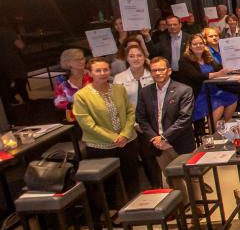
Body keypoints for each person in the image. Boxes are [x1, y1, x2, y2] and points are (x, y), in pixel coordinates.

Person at [72, 57, 140, 199]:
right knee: (108, 184)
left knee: (131, 177)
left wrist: (125, 134)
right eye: (98, 70)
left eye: (105, 69)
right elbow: (88, 124)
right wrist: (114, 138)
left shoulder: (119, 89)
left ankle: (137, 208)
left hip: (127, 141)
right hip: (100, 146)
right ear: (90, 73)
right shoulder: (81, 96)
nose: (103, 73)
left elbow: (130, 111)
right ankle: (112, 213)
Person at [136, 57, 195, 188]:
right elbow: (141, 118)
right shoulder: (145, 92)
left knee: (190, 178)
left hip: (179, 142)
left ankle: (197, 207)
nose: (157, 73)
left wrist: (165, 138)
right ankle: (181, 205)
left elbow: (185, 118)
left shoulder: (184, 90)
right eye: (154, 70)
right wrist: (155, 139)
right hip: (157, 145)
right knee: (171, 178)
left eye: (161, 69)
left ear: (169, 71)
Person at [178, 34, 238, 125]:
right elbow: (197, 76)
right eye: (195, 44)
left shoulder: (207, 56)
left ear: (204, 44)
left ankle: (224, 128)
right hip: (198, 94)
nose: (198, 46)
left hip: (214, 90)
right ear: (189, 46)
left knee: (233, 99)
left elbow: (219, 68)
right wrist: (218, 74)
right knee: (219, 106)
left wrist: (233, 62)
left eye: (200, 43)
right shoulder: (184, 60)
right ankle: (212, 135)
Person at [54, 48, 92, 119]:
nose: (82, 61)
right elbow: (58, 102)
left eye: (82, 58)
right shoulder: (61, 80)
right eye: (77, 59)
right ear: (67, 63)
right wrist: (73, 106)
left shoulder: (92, 75)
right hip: (74, 117)